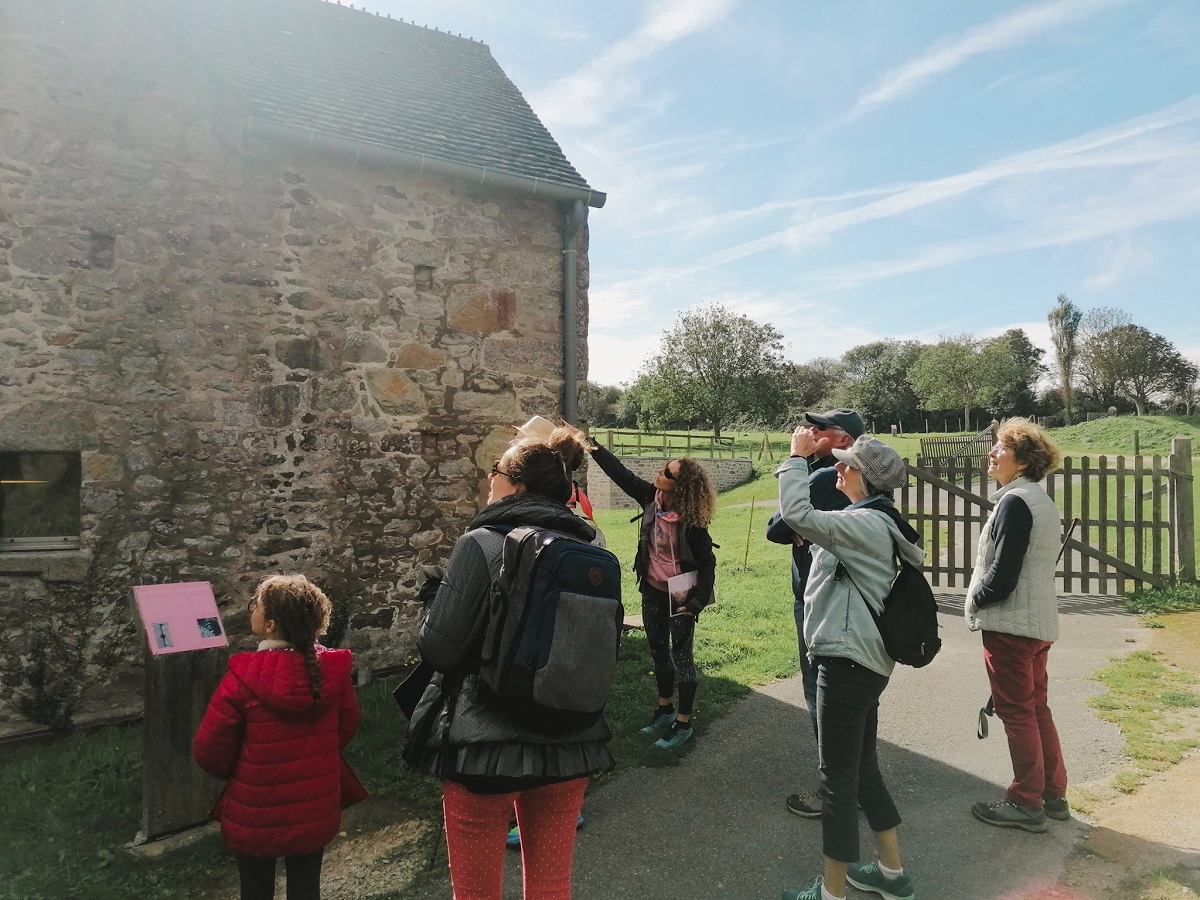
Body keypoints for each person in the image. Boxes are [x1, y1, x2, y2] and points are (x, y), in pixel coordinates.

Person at [401, 440, 614, 900]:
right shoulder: (589, 544)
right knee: (551, 888)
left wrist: (436, 599)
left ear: (515, 484)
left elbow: (439, 650)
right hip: (571, 739)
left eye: (496, 470)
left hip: (485, 745)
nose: (488, 478)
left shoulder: (480, 543)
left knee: (477, 892)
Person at [777, 431, 922, 900]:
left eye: (847, 465)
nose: (837, 468)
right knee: (863, 771)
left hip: (845, 662)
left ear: (867, 478)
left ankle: (831, 893)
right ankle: (892, 875)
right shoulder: (871, 520)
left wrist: (796, 460)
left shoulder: (865, 524)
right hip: (862, 661)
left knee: (837, 783)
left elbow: (796, 514)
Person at [194, 575, 364, 900]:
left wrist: (238, 770)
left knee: (255, 890)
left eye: (256, 604)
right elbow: (345, 728)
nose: (251, 608)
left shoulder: (242, 679)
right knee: (306, 889)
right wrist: (316, 754)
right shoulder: (332, 674)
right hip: (314, 805)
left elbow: (209, 749)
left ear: (270, 625)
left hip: (256, 809)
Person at [567, 424, 717, 750]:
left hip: (681, 594)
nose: (659, 473)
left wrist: (695, 604)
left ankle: (683, 723)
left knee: (682, 656)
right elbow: (618, 472)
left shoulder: (693, 521)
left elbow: (707, 564)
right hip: (651, 587)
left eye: (667, 472)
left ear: (681, 486)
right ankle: (665, 710)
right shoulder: (651, 497)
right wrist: (586, 441)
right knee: (658, 650)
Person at [966, 417, 1069, 834]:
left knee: (1017, 712)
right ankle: (1052, 794)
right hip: (1036, 623)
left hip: (1011, 626)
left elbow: (1003, 574)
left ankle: (1026, 801)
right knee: (1035, 708)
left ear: (1023, 460)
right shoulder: (1036, 499)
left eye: (1002, 448)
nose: (992, 453)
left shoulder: (1015, 502)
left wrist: (976, 598)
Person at [766, 408, 863, 818]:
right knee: (849, 698)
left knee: (820, 693)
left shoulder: (825, 477)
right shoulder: (849, 476)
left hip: (816, 599)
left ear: (842, 439)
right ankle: (855, 784)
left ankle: (834, 791)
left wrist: (797, 459)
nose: (808, 431)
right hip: (846, 598)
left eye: (819, 427)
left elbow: (776, 527)